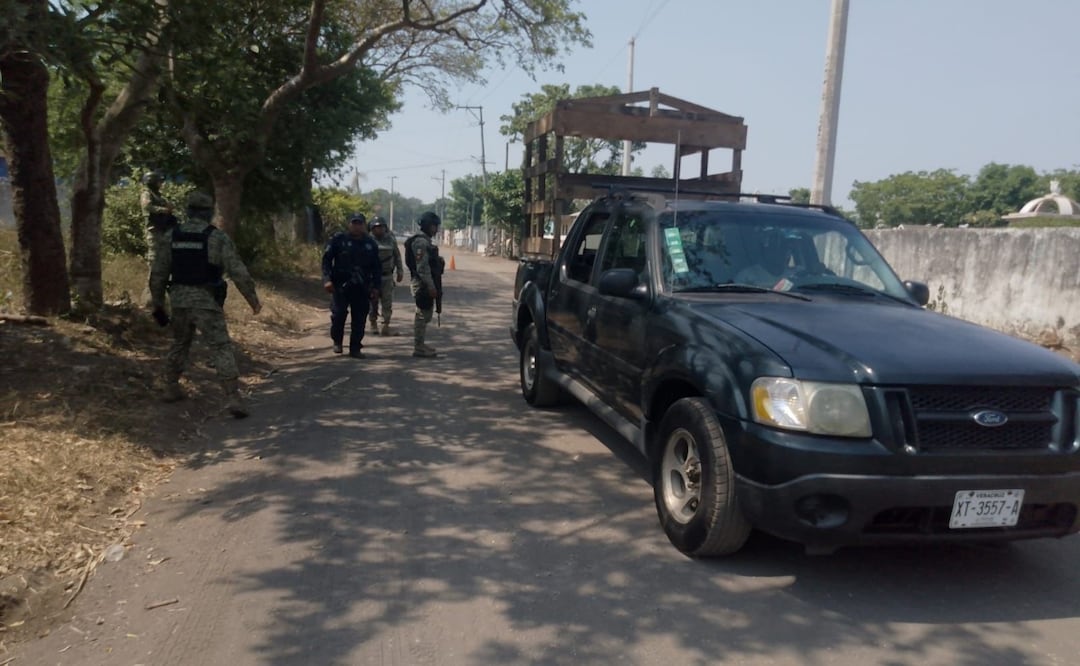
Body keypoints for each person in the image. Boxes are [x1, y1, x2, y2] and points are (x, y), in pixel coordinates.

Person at [149, 190, 262, 418]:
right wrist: (253, 300)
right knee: (220, 347)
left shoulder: (171, 236)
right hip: (206, 302)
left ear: (188, 211)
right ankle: (233, 398)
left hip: (179, 301)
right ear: (209, 213)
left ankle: (170, 386)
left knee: (180, 343)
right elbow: (238, 271)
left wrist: (158, 304)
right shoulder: (216, 237)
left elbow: (158, 274)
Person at [322, 213, 382, 358]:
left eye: (360, 223)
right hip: (340, 285)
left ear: (363, 225)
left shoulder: (370, 244)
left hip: (362, 286)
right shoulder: (338, 240)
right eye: (354, 223)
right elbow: (326, 261)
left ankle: (355, 348)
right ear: (349, 224)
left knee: (360, 318)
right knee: (338, 314)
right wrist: (326, 280)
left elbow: (376, 267)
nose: (357, 226)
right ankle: (337, 340)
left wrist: (376, 287)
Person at [405, 211, 444, 358]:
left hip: (425, 283)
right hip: (422, 284)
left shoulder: (426, 241)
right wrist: (431, 286)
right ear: (428, 226)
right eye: (434, 226)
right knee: (422, 315)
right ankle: (418, 347)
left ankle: (420, 344)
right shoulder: (421, 242)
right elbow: (422, 267)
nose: (436, 229)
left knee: (425, 315)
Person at [367, 216, 404, 336]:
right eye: (376, 227)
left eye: (381, 227)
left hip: (387, 276)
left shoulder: (390, 240)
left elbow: (397, 256)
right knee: (373, 301)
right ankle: (373, 323)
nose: (379, 229)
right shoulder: (368, 241)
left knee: (387, 302)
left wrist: (400, 271)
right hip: (372, 278)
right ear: (372, 228)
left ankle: (385, 325)